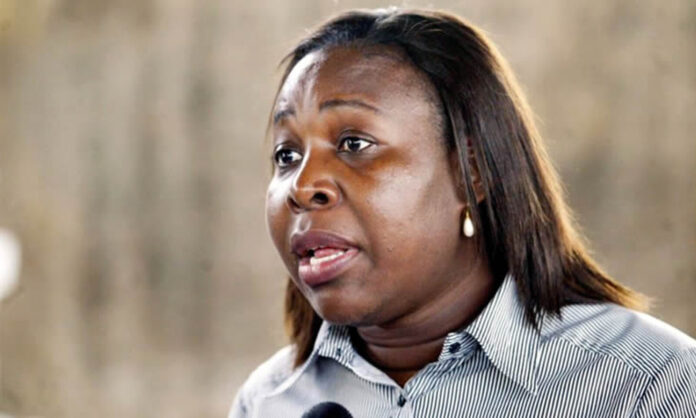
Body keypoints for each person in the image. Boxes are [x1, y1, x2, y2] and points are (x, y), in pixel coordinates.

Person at [230, 8, 696, 418]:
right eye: (287, 155)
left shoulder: (650, 382)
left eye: (354, 144)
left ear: (472, 173)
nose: (302, 186)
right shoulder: (269, 401)